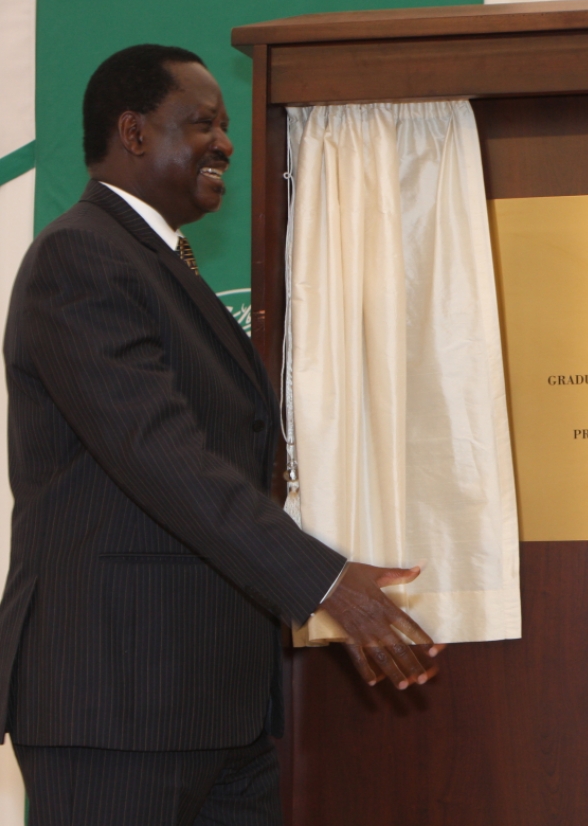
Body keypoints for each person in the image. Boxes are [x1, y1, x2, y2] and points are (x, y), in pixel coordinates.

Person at [0, 45, 442, 824]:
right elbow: (162, 456)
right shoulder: (81, 256)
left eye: (226, 126)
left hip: (217, 710)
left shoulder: (164, 266)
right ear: (133, 133)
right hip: (119, 705)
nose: (227, 143)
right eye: (201, 123)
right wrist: (327, 583)